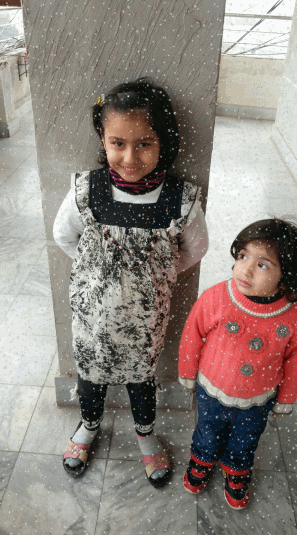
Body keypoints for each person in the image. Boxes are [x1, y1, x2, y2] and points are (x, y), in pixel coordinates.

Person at [53, 78, 208, 488]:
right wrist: (97, 273)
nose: (130, 157)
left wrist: (155, 276)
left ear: (163, 141)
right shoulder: (88, 191)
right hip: (92, 321)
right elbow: (63, 236)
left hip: (144, 324)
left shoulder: (179, 199)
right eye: (118, 143)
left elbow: (195, 249)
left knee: (142, 379)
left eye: (145, 144)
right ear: (103, 139)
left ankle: (145, 435)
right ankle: (89, 425)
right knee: (91, 376)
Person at [178, 218, 297, 508]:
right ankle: (201, 461)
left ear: (287, 275)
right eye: (243, 256)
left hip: (257, 399)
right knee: (207, 431)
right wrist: (187, 373)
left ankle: (236, 471)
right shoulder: (216, 297)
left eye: (263, 264)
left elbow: (296, 362)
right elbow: (192, 335)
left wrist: (286, 399)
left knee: (245, 440)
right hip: (211, 390)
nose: (245, 269)